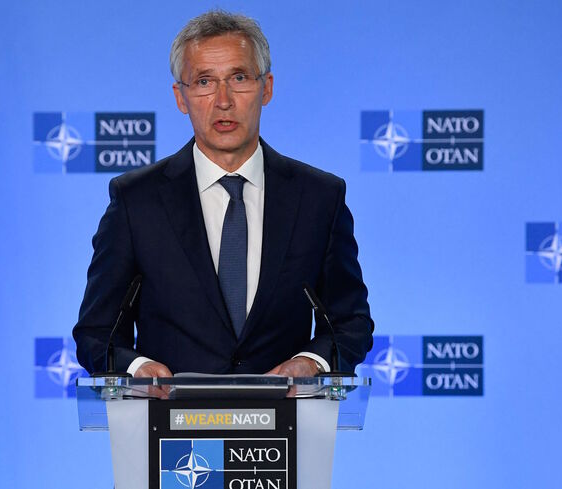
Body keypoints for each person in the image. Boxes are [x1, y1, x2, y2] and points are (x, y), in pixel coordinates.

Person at [73, 10, 374, 379]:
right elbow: (96, 332)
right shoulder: (136, 201)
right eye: (203, 82)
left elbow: (350, 323)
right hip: (171, 427)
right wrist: (138, 368)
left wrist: (311, 362)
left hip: (282, 426)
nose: (223, 100)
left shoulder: (319, 198)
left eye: (239, 77)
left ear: (267, 88)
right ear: (181, 97)